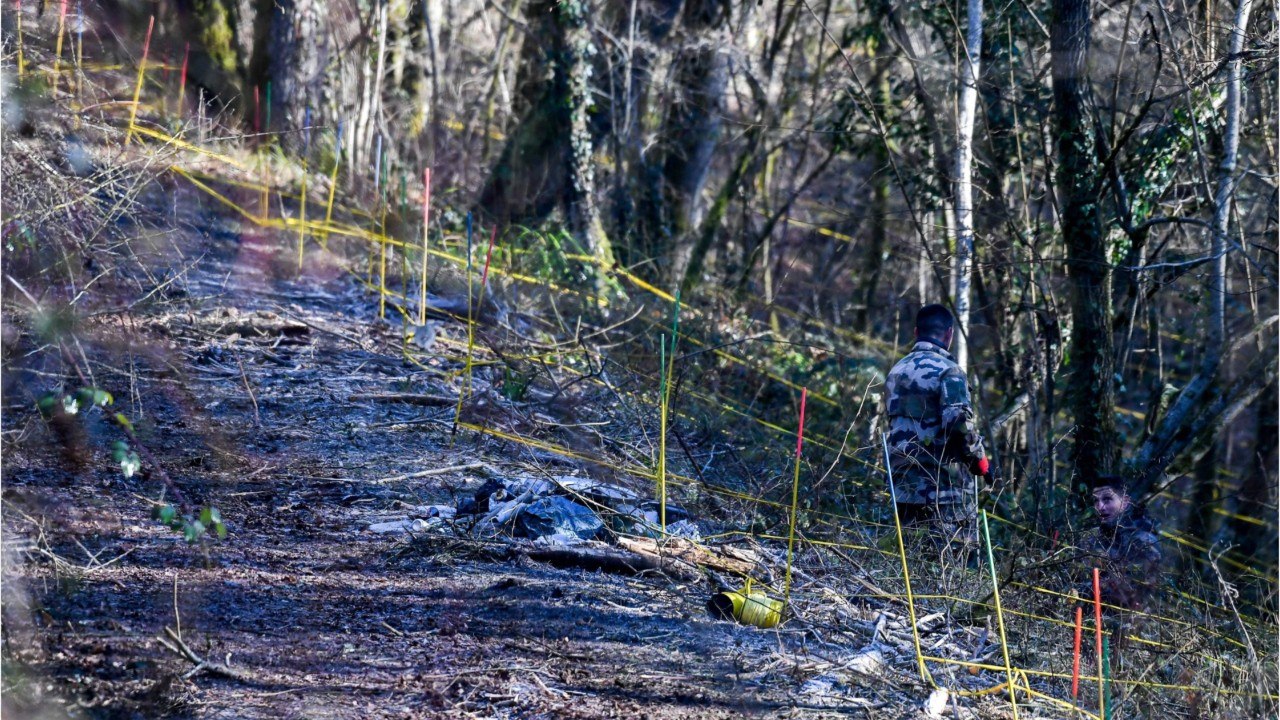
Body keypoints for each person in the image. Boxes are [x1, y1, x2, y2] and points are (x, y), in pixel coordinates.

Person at [883, 304, 992, 541]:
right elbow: (958, 424)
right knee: (953, 559)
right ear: (949, 334)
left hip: (903, 486)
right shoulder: (949, 371)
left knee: (911, 560)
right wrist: (980, 462)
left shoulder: (896, 371)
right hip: (944, 490)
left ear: (915, 332)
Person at [1080, 475, 1162, 611]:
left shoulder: (1143, 542)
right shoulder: (1091, 538)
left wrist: (1089, 586)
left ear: (1124, 502)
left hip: (1126, 622)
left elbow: (1129, 593)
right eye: (1096, 501)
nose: (1100, 506)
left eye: (1107, 499)